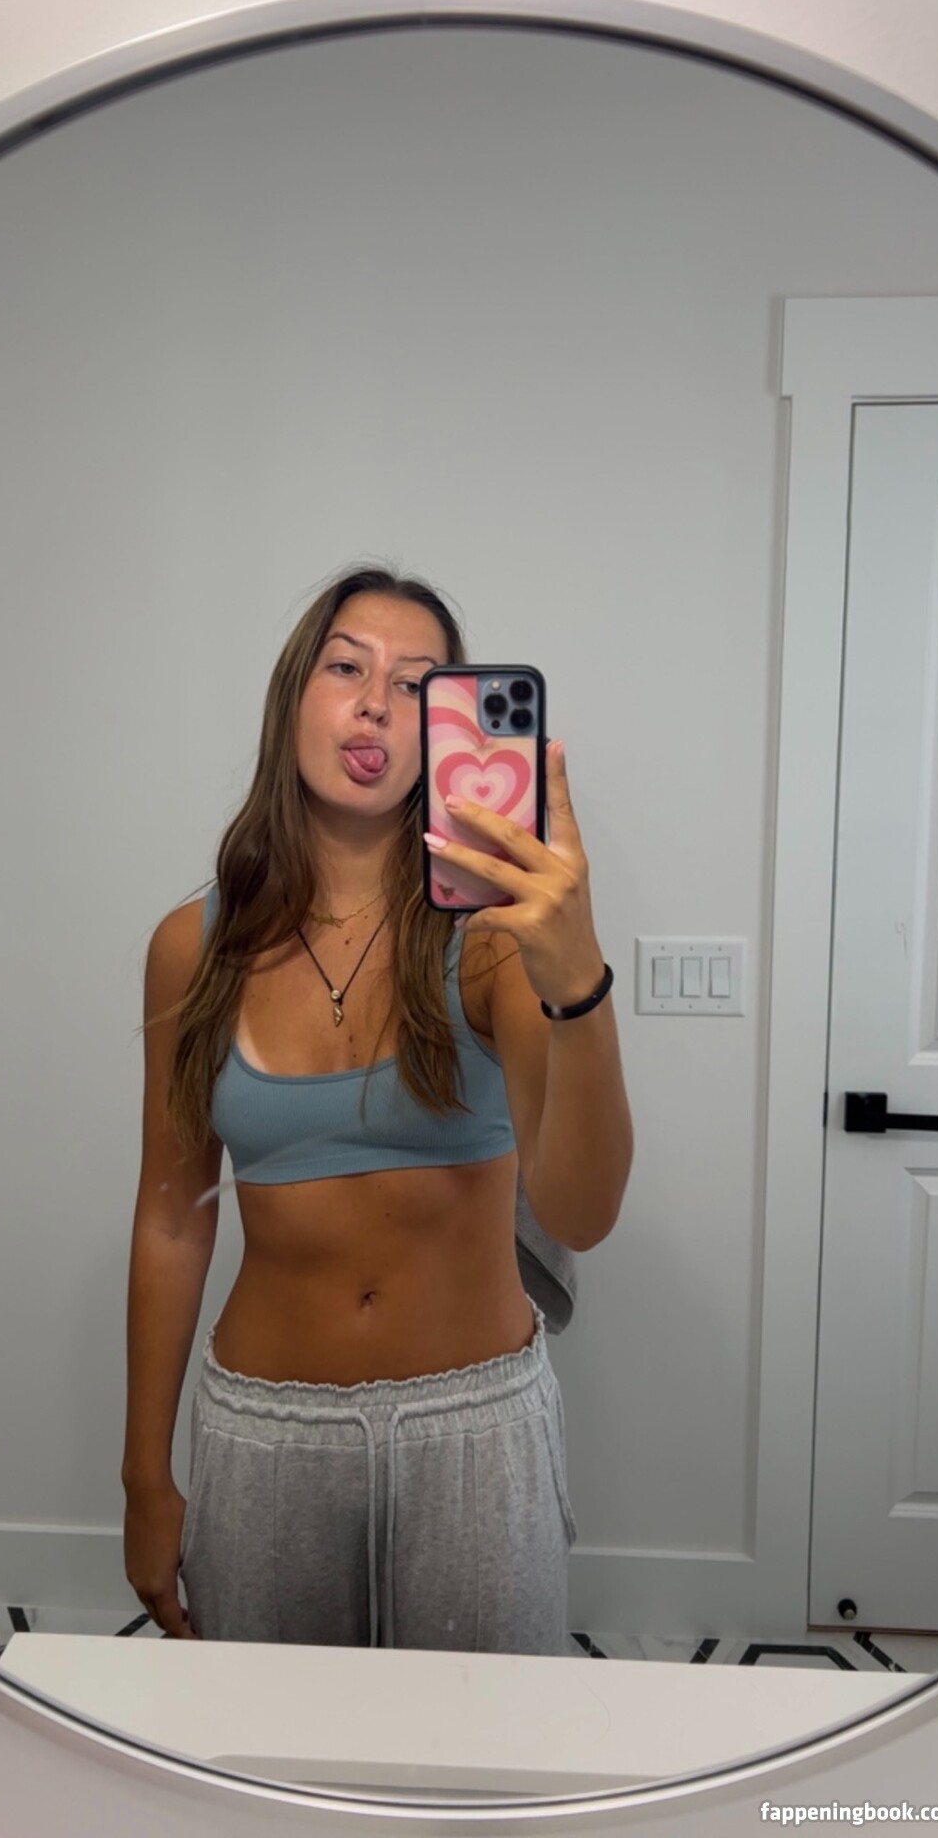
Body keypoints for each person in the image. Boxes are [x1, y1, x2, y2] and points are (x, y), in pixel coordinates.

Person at [122, 563, 633, 1654]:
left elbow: (581, 1213)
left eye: (414, 685)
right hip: (263, 1436)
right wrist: (143, 1477)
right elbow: (171, 1218)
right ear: (291, 698)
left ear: (448, 730)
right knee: (267, 1749)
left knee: (482, 1752)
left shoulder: (491, 940)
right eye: (345, 667)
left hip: (473, 1432)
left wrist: (577, 980)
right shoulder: (190, 948)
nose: (373, 704)